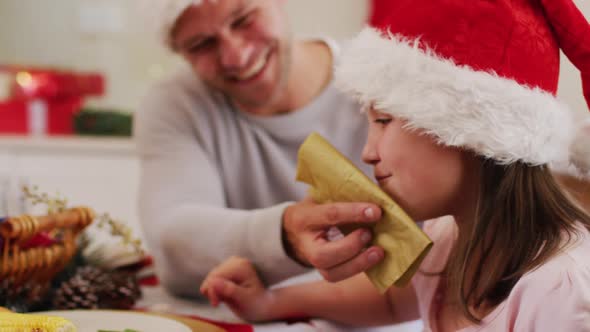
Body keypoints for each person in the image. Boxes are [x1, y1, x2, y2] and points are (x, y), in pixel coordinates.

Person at [200, 0, 590, 330]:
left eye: (383, 121)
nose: (368, 152)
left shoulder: (559, 289)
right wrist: (270, 303)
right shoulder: (447, 238)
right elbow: (389, 301)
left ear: (465, 129)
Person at [134, 0, 385, 298]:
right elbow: (172, 241)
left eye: (242, 19)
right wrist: (284, 236)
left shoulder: (384, 80)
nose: (236, 57)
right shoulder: (176, 105)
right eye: (202, 44)